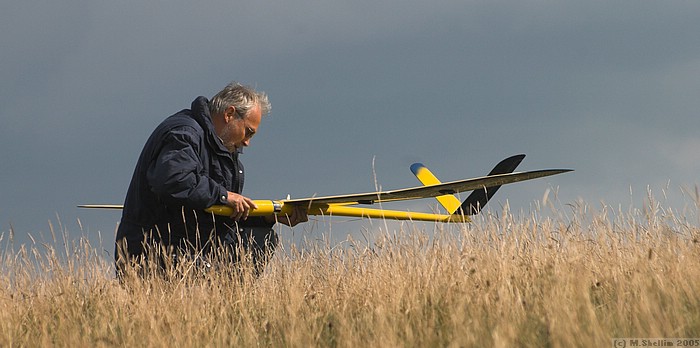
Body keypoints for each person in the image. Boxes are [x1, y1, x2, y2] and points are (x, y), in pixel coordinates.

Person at [115, 82, 307, 277]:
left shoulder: (221, 148)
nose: (247, 143)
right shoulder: (184, 133)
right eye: (248, 131)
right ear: (229, 114)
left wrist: (266, 218)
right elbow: (172, 180)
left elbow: (216, 217)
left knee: (260, 238)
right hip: (155, 254)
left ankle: (230, 304)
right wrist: (223, 196)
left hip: (192, 253)